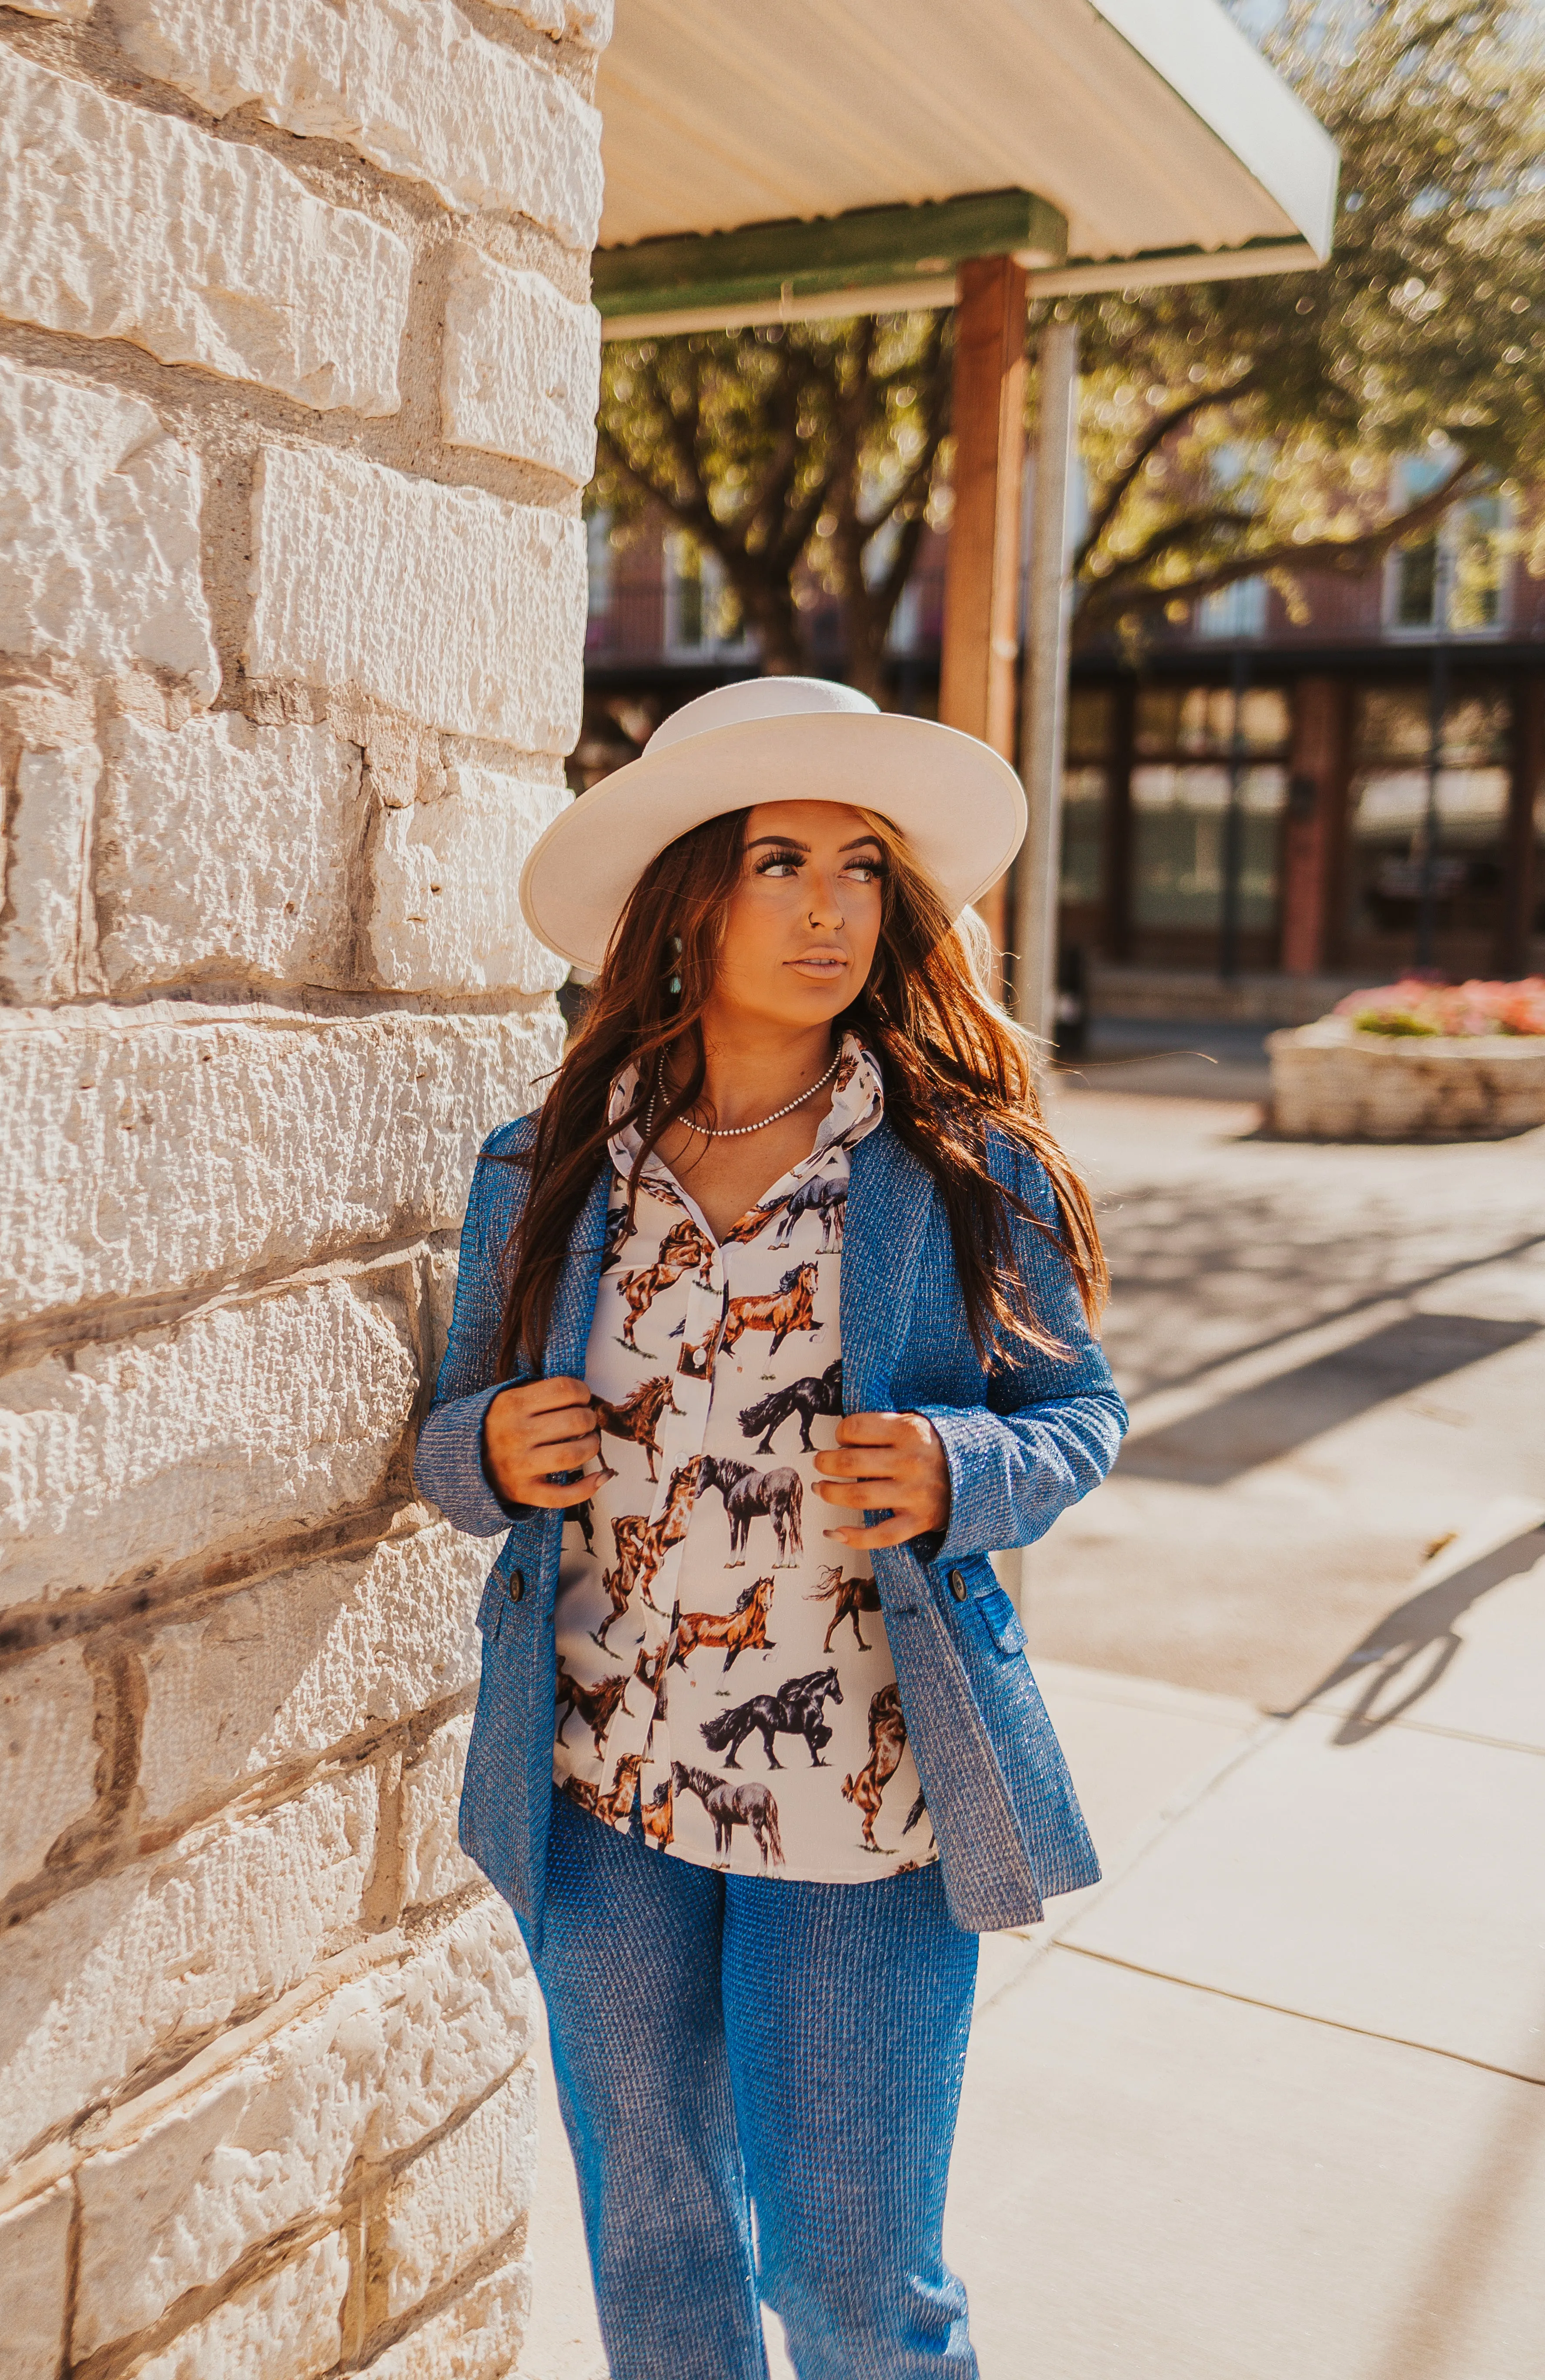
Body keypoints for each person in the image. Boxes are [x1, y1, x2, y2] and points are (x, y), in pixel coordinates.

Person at [414, 676, 1127, 2380]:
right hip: (603, 1803)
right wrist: (497, 1446)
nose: (828, 908)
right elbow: (447, 1450)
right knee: (658, 2265)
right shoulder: (549, 1173)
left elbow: (1079, 1419)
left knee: (853, 2292)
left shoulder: (962, 1170)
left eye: (861, 867)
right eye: (781, 862)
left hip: (865, 1816)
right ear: (692, 897)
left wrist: (963, 1469)